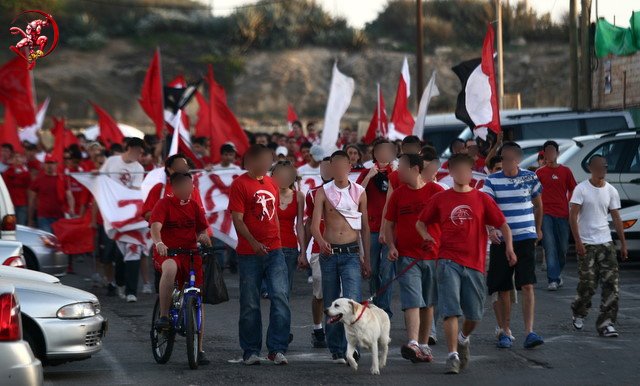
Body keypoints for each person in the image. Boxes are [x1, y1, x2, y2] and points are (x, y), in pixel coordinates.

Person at [416, 153, 513, 375]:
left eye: (466, 170)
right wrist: (426, 237)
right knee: (451, 311)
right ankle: (452, 356)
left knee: (475, 315)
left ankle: (463, 338)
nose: (462, 174)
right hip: (447, 260)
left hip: (475, 263)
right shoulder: (441, 198)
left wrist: (509, 247)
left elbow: (503, 225)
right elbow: (421, 223)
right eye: (457, 170)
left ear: (470, 172)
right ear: (451, 173)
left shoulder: (482, 199)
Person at [229, 144, 291, 365]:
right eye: (265, 160)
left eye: (270, 160)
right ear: (252, 161)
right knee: (250, 302)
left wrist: (279, 243)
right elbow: (237, 219)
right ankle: (251, 350)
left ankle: (277, 348)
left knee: (280, 296)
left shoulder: (271, 182)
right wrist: (253, 243)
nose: (268, 164)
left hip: (274, 250)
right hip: (249, 253)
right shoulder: (239, 185)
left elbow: (273, 214)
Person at [311, 150, 371, 364]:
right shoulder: (323, 192)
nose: (338, 170)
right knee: (332, 302)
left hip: (351, 254)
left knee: (352, 302)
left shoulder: (359, 192)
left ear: (349, 167)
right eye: (333, 166)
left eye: (342, 166)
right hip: (329, 254)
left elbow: (365, 228)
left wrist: (367, 259)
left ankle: (353, 348)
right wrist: (320, 240)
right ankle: (336, 349)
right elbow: (314, 223)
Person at [482, 141, 544, 350]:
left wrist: (538, 228)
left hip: (525, 237)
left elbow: (538, 205)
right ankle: (505, 330)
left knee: (527, 284)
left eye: (510, 158)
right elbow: (487, 209)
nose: (507, 162)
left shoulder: (530, 177)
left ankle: (529, 331)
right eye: (503, 158)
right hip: (501, 239)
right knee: (503, 287)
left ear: (517, 158)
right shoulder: (491, 181)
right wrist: (491, 230)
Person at [385, 154, 444, 363]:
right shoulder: (398, 195)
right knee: (412, 300)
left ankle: (424, 345)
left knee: (428, 303)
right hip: (407, 257)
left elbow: (448, 223)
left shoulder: (437, 192)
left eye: (401, 167)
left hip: (433, 256)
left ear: (415, 169)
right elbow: (389, 225)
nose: (398, 171)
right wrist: (391, 246)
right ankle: (412, 342)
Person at [150, 172, 212, 364]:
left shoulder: (194, 206)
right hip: (170, 252)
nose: (190, 189)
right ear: (175, 188)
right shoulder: (164, 204)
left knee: (198, 298)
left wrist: (203, 236)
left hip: (191, 253)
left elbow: (202, 229)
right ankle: (164, 316)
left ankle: (199, 349)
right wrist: (159, 242)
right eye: (186, 186)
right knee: (169, 270)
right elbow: (155, 227)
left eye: (191, 186)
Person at [569, 155, 628, 337]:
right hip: (586, 243)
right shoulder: (581, 189)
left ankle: (606, 323)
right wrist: (578, 241)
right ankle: (579, 312)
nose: (602, 170)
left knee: (612, 285)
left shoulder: (611, 190)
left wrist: (623, 243)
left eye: (605, 167)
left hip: (605, 242)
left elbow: (616, 218)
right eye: (599, 167)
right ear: (591, 168)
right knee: (588, 285)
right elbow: (572, 216)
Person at [100, 137, 146, 303]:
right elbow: (101, 180)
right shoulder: (112, 161)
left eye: (141, 153)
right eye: (137, 151)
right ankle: (120, 282)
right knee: (118, 254)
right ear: (129, 148)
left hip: (130, 215)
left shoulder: (139, 168)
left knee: (134, 249)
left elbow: (134, 193)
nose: (138, 155)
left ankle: (131, 291)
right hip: (112, 215)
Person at [356, 139, 396, 317]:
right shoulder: (367, 172)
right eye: (380, 152)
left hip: (391, 228)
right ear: (375, 154)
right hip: (371, 227)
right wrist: (368, 176)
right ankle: (376, 302)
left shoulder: (396, 173)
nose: (384, 155)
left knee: (387, 271)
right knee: (371, 270)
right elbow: (355, 194)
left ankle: (384, 308)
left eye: (388, 152)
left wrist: (395, 174)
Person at [535, 140, 577, 290]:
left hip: (563, 214)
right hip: (546, 214)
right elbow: (533, 193)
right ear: (544, 154)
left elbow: (574, 189)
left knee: (563, 248)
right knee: (550, 245)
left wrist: (570, 202)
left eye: (553, 151)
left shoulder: (565, 171)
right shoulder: (539, 173)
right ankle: (552, 279)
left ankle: (557, 274)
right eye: (547, 152)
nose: (550, 155)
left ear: (557, 153)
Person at [302, 157, 332, 349]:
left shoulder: (351, 191)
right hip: (318, 250)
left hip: (343, 248)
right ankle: (317, 328)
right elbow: (307, 224)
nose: (326, 170)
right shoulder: (312, 194)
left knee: (340, 293)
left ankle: (337, 331)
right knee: (319, 293)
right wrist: (302, 251)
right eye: (323, 167)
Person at [271, 160, 305, 291]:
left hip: (289, 248)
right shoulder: (269, 195)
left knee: (285, 289)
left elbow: (300, 225)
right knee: (273, 289)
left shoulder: (299, 196)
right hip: (271, 247)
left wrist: (302, 252)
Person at [28, 154, 64, 233]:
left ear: (56, 165)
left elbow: (69, 195)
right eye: (47, 163)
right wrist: (30, 218)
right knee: (47, 241)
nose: (50, 166)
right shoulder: (39, 179)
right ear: (44, 165)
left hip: (59, 216)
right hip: (44, 216)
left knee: (58, 240)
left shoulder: (61, 179)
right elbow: (32, 200)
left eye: (52, 163)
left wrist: (71, 208)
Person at [3, 152, 30, 225]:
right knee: (10, 225)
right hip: (10, 204)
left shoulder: (26, 173)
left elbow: (28, 187)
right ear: (12, 160)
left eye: (19, 157)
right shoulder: (7, 172)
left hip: (22, 203)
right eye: (15, 157)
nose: (17, 159)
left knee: (21, 225)